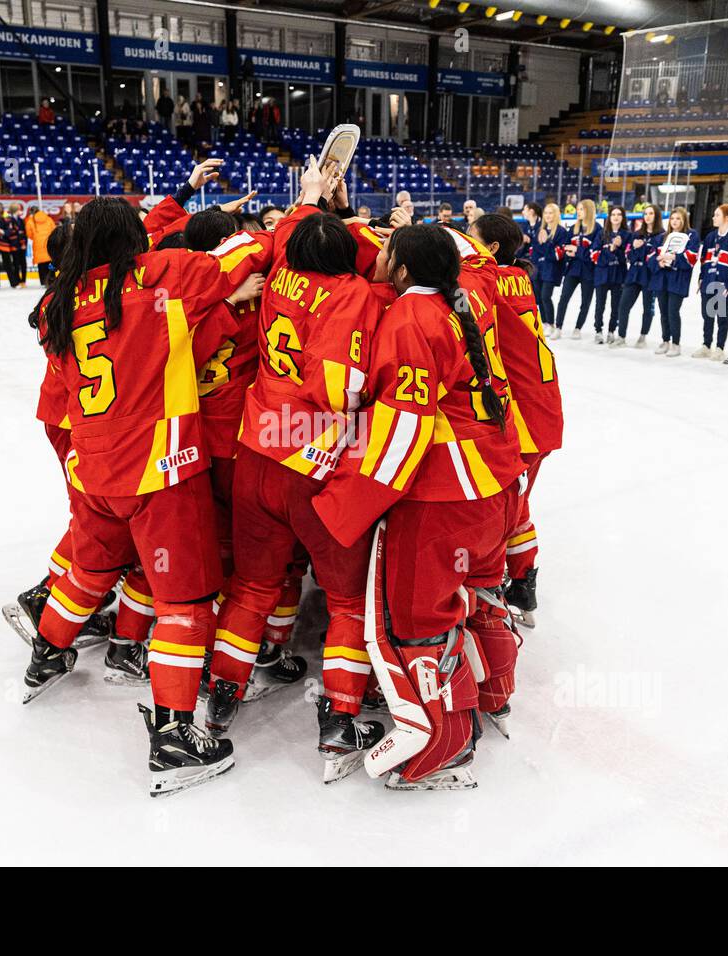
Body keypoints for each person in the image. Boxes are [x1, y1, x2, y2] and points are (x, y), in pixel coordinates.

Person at [21, 197, 259, 796]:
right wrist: (306, 205)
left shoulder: (58, 301)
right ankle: (174, 735)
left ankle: (46, 654)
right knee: (184, 601)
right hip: (160, 468)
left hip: (95, 468)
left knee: (88, 569)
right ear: (135, 242)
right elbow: (238, 254)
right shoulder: (158, 277)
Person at [310, 223, 523, 790]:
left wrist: (349, 503)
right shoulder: (462, 301)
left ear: (402, 270)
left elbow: (403, 427)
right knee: (478, 595)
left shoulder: (408, 318)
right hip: (496, 483)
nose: (377, 256)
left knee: (414, 622)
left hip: (442, 497)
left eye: (387, 252)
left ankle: (444, 743)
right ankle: (495, 695)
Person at [206, 162, 387, 779]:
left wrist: (313, 196)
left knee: (254, 586)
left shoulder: (280, 271)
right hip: (310, 460)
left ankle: (220, 694)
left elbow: (291, 230)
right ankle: (338, 720)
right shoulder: (353, 291)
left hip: (255, 449)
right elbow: (337, 387)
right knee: (344, 598)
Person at [469, 212, 564, 646]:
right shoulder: (516, 277)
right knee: (515, 504)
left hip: (524, 418)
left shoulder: (491, 280)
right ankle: (522, 583)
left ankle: (514, 586)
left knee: (508, 507)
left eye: (470, 237)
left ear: (489, 250)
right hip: (537, 410)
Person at [695, 204, 728, 361]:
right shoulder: (710, 237)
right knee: (707, 314)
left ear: (727, 218)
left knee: (722, 316)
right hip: (709, 281)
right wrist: (701, 279)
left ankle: (720, 347)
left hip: (724, 284)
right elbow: (704, 260)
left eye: (717, 215)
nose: (713, 218)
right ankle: (706, 345)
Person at [650, 206, 700, 357]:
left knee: (673, 311)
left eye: (678, 218)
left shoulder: (692, 235)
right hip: (662, 279)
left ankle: (676, 344)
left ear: (684, 219)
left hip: (678, 279)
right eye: (672, 218)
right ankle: (665, 341)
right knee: (663, 311)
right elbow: (652, 257)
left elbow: (691, 258)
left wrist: (673, 258)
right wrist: (658, 263)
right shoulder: (661, 237)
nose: (675, 221)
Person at [615, 203, 662, 348]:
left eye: (651, 213)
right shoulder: (636, 234)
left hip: (650, 276)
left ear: (657, 216)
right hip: (634, 274)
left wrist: (643, 252)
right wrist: (635, 248)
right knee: (623, 305)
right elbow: (628, 255)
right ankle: (621, 336)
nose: (647, 216)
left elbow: (656, 257)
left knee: (648, 308)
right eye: (645, 214)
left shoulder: (661, 235)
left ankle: (643, 337)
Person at [562, 198, 601, 338]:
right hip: (572, 269)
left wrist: (576, 251)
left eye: (581, 209)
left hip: (589, 272)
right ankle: (558, 326)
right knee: (564, 297)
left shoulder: (598, 229)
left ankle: (578, 328)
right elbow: (566, 248)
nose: (578, 212)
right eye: (577, 209)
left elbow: (592, 254)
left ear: (589, 211)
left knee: (585, 301)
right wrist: (570, 252)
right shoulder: (573, 228)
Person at [591, 205, 629, 344]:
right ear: (609, 217)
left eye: (619, 214)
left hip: (618, 275)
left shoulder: (627, 235)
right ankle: (598, 330)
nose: (616, 217)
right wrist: (611, 250)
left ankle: (612, 330)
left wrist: (618, 249)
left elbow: (628, 255)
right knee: (600, 304)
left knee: (616, 305)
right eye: (613, 214)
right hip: (602, 274)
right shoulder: (601, 233)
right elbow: (594, 255)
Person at [530, 201, 568, 337]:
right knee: (539, 297)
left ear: (556, 214)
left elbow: (557, 255)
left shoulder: (562, 232)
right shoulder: (540, 230)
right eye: (546, 212)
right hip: (538, 269)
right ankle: (545, 322)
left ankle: (552, 324)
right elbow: (535, 252)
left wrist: (546, 243)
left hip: (552, 270)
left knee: (546, 296)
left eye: (551, 212)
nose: (548, 215)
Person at [25, 206, 56, 286]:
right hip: (49, 243)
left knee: (41, 264)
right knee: (50, 263)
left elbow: (29, 234)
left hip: (37, 244)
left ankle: (43, 281)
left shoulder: (30, 221)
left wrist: (35, 237)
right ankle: (52, 279)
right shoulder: (48, 219)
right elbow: (54, 230)